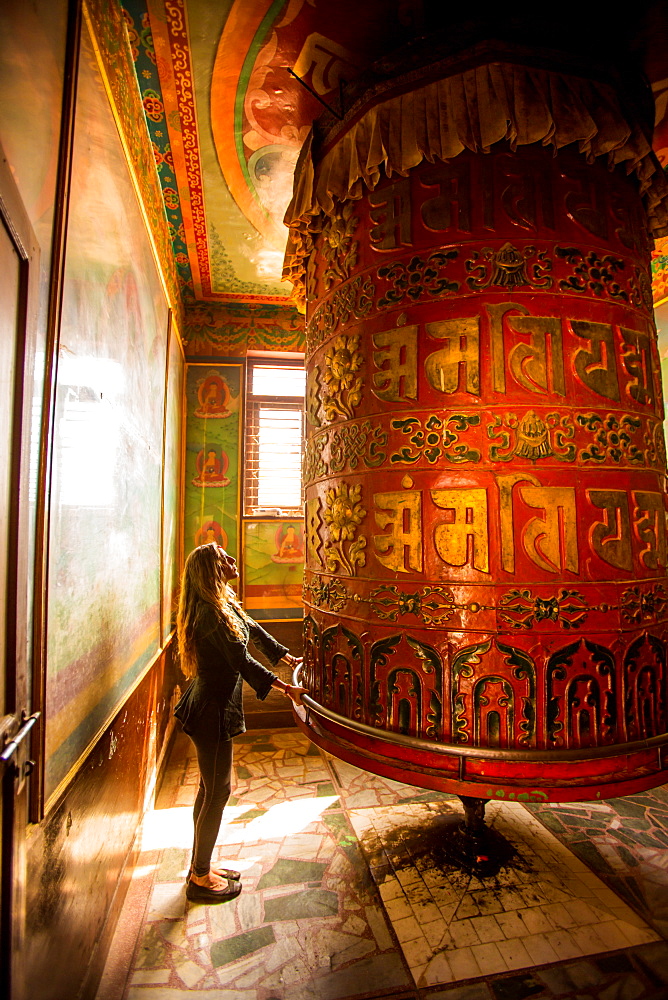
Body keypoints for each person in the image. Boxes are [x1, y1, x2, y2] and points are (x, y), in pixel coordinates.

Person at [175, 542, 307, 903]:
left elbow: (255, 631)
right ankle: (200, 877)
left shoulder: (222, 604)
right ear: (211, 570)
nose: (232, 560)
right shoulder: (210, 614)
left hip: (214, 706)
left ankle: (200, 865)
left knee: (209, 789)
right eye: (223, 558)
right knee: (217, 791)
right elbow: (241, 660)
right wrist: (285, 689)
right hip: (210, 710)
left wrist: (285, 655)